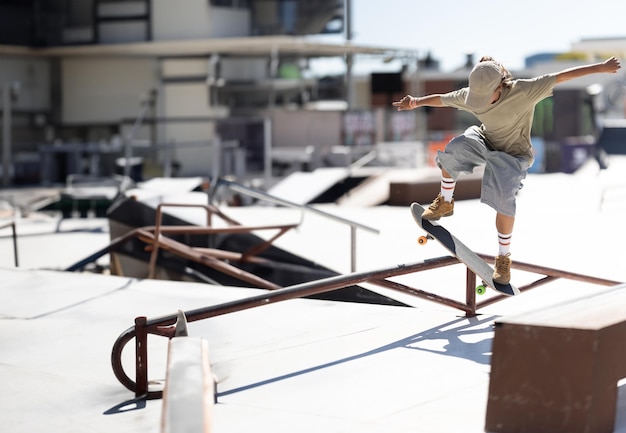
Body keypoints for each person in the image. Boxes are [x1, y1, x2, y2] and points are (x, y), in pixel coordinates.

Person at [393, 55, 621, 284]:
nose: (480, 102)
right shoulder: (470, 96)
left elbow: (563, 76)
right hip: (484, 141)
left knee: (504, 198)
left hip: (513, 155)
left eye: (486, 97)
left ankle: (503, 259)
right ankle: (445, 201)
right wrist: (415, 102)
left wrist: (601, 67)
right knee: (454, 149)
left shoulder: (525, 90)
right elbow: (442, 99)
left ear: (500, 86)